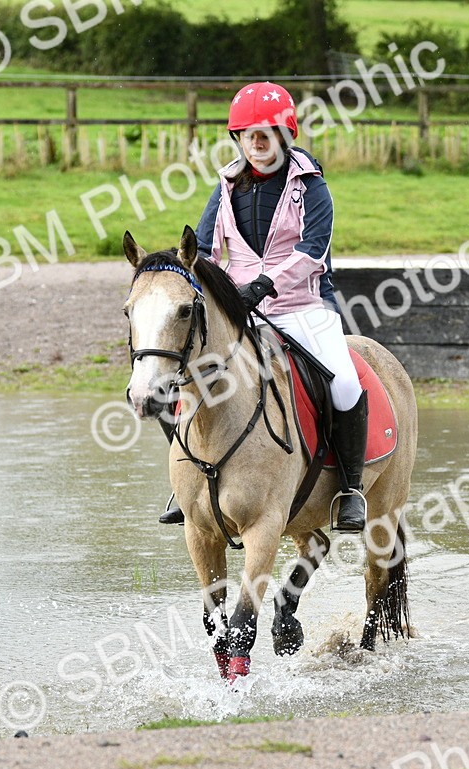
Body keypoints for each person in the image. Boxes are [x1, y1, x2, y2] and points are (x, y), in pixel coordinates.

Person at [158, 81, 368, 533]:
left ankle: (351, 490)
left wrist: (264, 285)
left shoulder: (311, 186)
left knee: (346, 385)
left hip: (303, 306)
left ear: (285, 134)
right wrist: (208, 289)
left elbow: (313, 250)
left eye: (266, 133)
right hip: (239, 309)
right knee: (174, 381)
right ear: (238, 137)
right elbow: (205, 250)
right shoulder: (225, 187)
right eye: (247, 133)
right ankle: (187, 478)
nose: (256, 142)